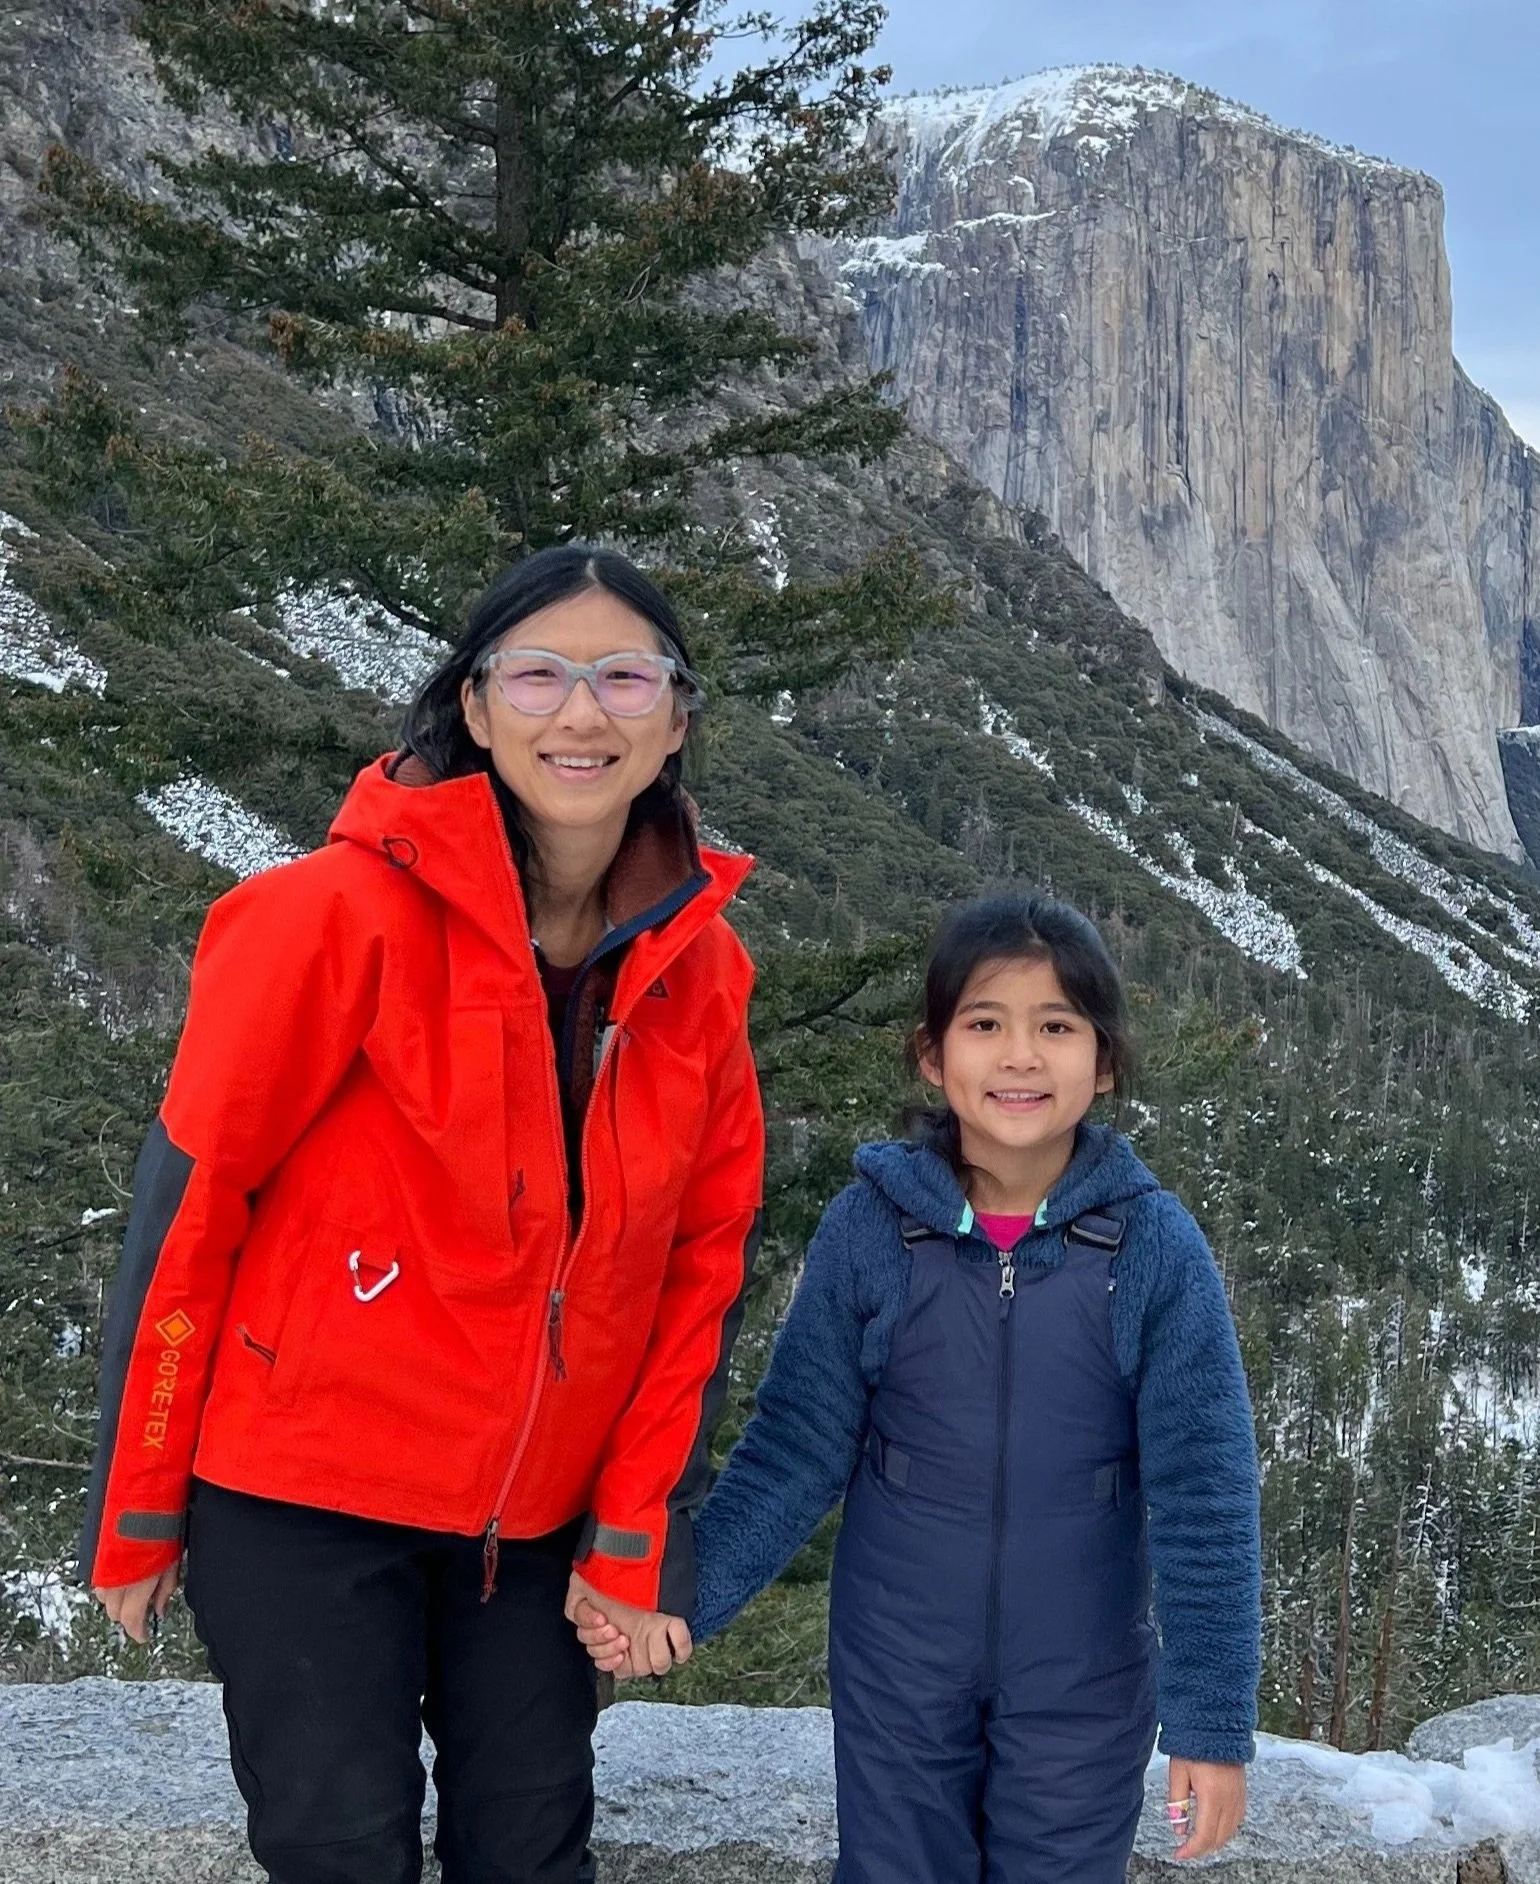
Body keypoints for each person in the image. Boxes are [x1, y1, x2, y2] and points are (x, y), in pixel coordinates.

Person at [79, 543, 763, 1884]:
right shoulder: (326, 917)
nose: (582, 714)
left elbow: (699, 1269)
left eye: (625, 678)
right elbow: (191, 1213)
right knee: (339, 1848)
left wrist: (635, 1531)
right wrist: (137, 1507)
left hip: (535, 1523)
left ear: (676, 720)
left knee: (531, 1850)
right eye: (539, 675)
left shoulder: (702, 966)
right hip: (302, 1501)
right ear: (474, 704)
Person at [582, 893, 1261, 1879]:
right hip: (898, 1668)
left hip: (1084, 1676)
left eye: (1056, 1027)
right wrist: (674, 1601)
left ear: (1104, 1062)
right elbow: (795, 1449)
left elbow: (1209, 1497)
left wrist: (1211, 1725)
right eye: (985, 1024)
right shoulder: (873, 1230)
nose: (1020, 1056)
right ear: (933, 1056)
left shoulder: (1152, 1248)